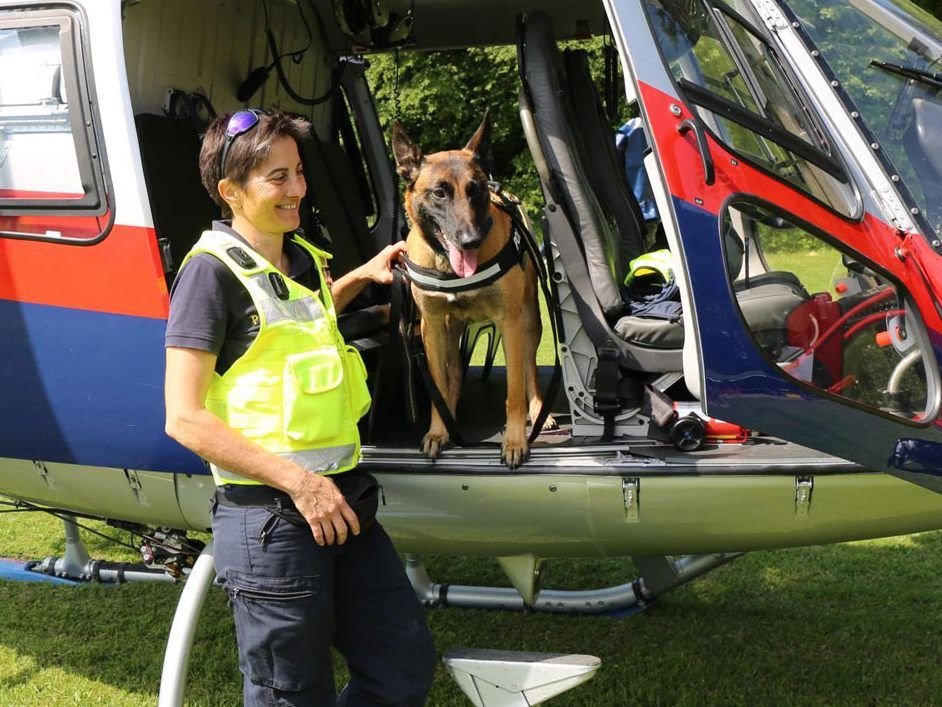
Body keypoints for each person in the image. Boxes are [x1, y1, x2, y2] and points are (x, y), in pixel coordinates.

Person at [164, 109, 436, 706]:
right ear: (229, 191)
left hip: (341, 500)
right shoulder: (208, 275)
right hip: (272, 518)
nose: (297, 189)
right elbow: (183, 416)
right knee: (291, 692)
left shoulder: (303, 258)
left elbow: (292, 324)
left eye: (299, 172)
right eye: (277, 177)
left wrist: (361, 277)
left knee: (401, 661)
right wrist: (301, 485)